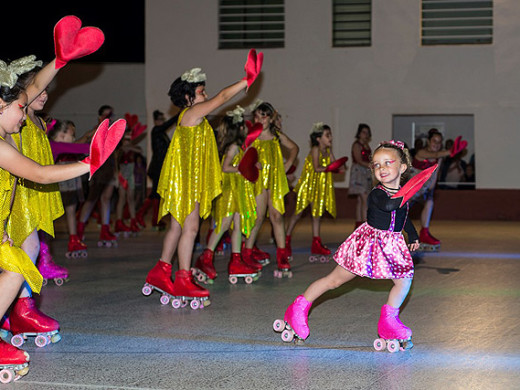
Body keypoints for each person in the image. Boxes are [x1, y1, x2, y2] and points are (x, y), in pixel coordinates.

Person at [0, 55, 122, 381]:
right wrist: (90, 163)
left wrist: (90, 162)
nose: (24, 115)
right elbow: (39, 175)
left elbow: (38, 171)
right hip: (17, 207)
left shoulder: (7, 137)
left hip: (6, 219)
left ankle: (18, 314)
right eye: (20, 108)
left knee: (17, 267)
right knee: (18, 265)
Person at [143, 51, 263, 309]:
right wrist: (246, 80)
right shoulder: (192, 113)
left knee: (177, 228)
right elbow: (222, 98)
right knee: (192, 229)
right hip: (186, 183)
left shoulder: (192, 117)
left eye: (204, 92)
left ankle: (161, 271)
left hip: (184, 181)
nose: (205, 96)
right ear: (188, 97)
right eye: (200, 92)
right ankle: (183, 277)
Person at [274, 141, 420, 350]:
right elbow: (390, 205)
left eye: (388, 162)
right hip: (367, 245)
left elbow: (404, 218)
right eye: (376, 165)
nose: (382, 168)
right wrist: (407, 194)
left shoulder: (401, 197)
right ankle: (297, 310)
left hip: (392, 246)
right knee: (333, 281)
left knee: (404, 281)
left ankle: (389, 322)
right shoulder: (378, 193)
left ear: (403, 167)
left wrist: (413, 236)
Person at [193, 105, 260, 284]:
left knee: (238, 226)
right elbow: (225, 167)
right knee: (224, 225)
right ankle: (205, 258)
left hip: (238, 191)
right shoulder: (233, 147)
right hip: (230, 191)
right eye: (244, 125)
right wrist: (240, 169)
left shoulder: (241, 146)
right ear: (239, 128)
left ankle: (236, 261)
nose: (247, 127)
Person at [242, 101, 299, 278]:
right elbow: (242, 155)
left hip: (274, 180)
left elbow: (294, 148)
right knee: (257, 217)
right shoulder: (252, 136)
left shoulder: (276, 136)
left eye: (264, 116)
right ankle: (247, 253)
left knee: (277, 216)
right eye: (257, 116)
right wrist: (251, 162)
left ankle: (282, 255)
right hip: (258, 181)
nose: (260, 119)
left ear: (271, 118)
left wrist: (288, 164)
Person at [285, 123, 344, 261]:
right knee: (298, 213)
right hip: (308, 185)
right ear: (318, 139)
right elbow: (317, 168)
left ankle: (316, 243)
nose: (331, 138)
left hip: (319, 186)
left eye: (331, 135)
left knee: (317, 215)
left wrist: (338, 166)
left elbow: (334, 164)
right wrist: (331, 168)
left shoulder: (328, 151)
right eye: (327, 135)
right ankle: (286, 240)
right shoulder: (315, 149)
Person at [77, 105, 118, 247]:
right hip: (97, 170)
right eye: (106, 116)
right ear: (100, 117)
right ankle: (79, 231)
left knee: (106, 199)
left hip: (109, 170)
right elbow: (80, 143)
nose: (109, 119)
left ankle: (105, 231)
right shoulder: (95, 131)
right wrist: (91, 134)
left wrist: (116, 172)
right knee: (92, 200)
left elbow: (114, 154)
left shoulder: (112, 132)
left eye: (111, 116)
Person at [48, 120, 90, 258]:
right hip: (49, 182)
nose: (73, 138)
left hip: (61, 177)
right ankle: (44, 253)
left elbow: (79, 148)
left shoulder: (57, 146)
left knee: (71, 207)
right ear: (61, 133)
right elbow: (81, 148)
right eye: (72, 134)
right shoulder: (53, 145)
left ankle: (73, 239)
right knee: (49, 216)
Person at [135, 109, 178, 230]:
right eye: (159, 119)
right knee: (155, 193)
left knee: (157, 194)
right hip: (157, 168)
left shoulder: (162, 133)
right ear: (155, 120)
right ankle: (142, 215)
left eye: (162, 119)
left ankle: (154, 219)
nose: (161, 121)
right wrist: (178, 115)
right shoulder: (156, 130)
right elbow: (166, 125)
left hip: (161, 167)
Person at [410, 128, 451, 247]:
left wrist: (430, 190)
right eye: (434, 141)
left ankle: (424, 233)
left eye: (439, 142)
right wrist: (451, 151)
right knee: (399, 212)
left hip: (423, 187)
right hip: (410, 186)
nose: (437, 145)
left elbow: (435, 175)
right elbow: (435, 154)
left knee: (429, 202)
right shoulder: (421, 153)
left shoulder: (439, 158)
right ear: (428, 141)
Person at [114, 128, 143, 235]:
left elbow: (139, 150)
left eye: (129, 136)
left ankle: (133, 221)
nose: (128, 139)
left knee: (131, 198)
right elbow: (121, 152)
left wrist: (131, 145)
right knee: (122, 198)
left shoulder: (131, 147)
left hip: (130, 173)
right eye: (126, 137)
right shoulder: (120, 148)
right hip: (122, 174)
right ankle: (119, 222)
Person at [348, 123, 372, 229]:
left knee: (360, 199)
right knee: (364, 198)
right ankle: (365, 225)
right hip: (358, 172)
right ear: (359, 133)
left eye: (367, 133)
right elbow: (358, 160)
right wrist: (370, 165)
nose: (365, 135)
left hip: (366, 172)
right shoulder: (356, 145)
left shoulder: (367, 146)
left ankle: (358, 224)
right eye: (363, 132)